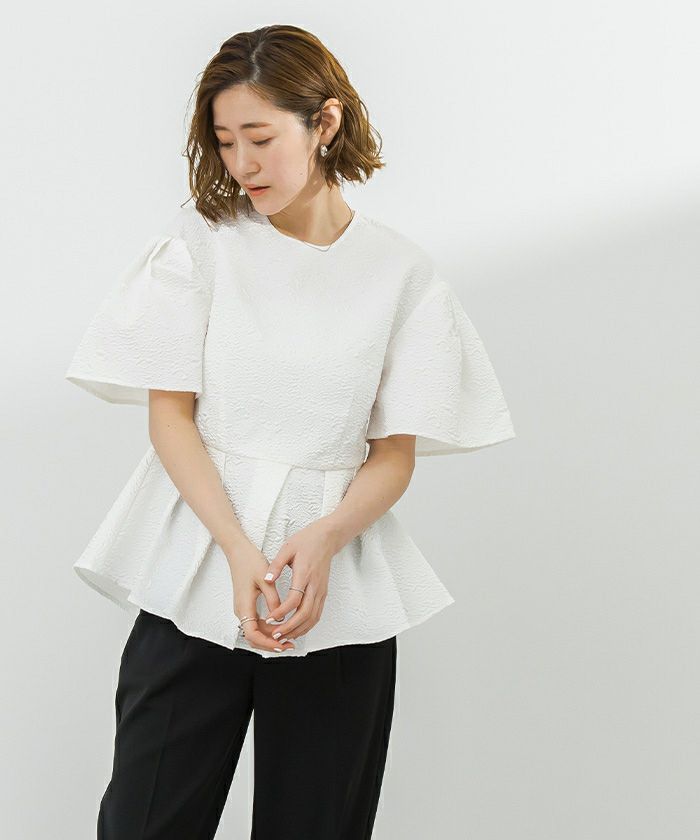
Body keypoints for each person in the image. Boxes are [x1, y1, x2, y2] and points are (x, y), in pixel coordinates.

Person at [65, 23, 516, 840]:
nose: (241, 163)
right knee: (143, 821)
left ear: (326, 123)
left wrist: (323, 538)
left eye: (261, 137)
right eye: (225, 140)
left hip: (334, 595)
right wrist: (239, 548)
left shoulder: (401, 274)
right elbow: (172, 418)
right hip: (197, 573)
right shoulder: (200, 245)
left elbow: (393, 455)